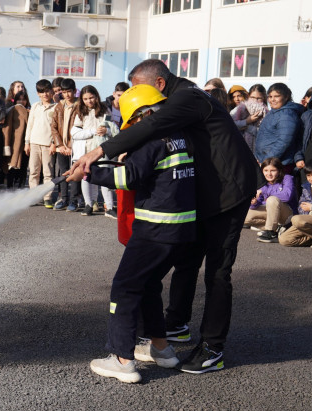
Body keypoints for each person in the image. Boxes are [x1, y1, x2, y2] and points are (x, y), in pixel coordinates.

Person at [69, 58, 260, 374]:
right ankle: (170, 333)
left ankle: (212, 348)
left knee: (217, 272)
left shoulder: (187, 97)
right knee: (183, 263)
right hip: (200, 198)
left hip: (229, 193)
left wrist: (96, 153)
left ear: (158, 85)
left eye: (138, 91)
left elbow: (152, 127)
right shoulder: (172, 103)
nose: (137, 102)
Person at [71, 84, 196, 383]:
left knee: (124, 289)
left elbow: (127, 177)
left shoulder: (151, 141)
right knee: (149, 284)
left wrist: (87, 173)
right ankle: (162, 349)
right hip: (182, 230)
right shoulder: (181, 137)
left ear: (145, 114)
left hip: (155, 230)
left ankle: (122, 359)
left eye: (134, 122)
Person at [71, 85, 118, 216]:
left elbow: (111, 128)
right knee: (86, 177)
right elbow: (75, 132)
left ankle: (109, 207)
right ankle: (88, 204)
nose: (89, 101)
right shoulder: (80, 111)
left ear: (96, 96)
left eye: (91, 97)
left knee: (104, 177)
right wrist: (91, 132)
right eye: (85, 99)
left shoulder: (105, 110)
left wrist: (106, 131)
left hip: (102, 149)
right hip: (86, 149)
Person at [253, 83, 303, 171]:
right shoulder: (275, 112)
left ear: (286, 97)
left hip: (279, 165)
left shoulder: (286, 115)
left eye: (277, 96)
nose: (272, 100)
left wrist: (266, 160)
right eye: (270, 96)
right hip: (268, 163)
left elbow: (283, 142)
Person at [25, 79, 57, 207]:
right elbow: (30, 125)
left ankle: (47, 197)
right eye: (42, 92)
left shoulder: (56, 107)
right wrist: (27, 142)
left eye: (47, 91)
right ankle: (34, 196)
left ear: (52, 91)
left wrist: (54, 143)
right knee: (33, 171)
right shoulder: (35, 106)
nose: (45, 94)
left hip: (48, 144)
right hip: (34, 143)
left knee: (48, 172)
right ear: (38, 93)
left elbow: (57, 128)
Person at [249, 157, 297, 243]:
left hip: (287, 215)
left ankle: (271, 233)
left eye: (273, 170)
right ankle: (277, 227)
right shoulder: (262, 182)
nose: (269, 174)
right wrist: (254, 202)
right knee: (245, 215)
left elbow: (287, 196)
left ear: (279, 170)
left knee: (272, 200)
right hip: (272, 214)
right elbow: (258, 202)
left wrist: (265, 191)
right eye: (266, 170)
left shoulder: (287, 178)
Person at [50, 78, 81, 210]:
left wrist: (70, 146)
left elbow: (80, 128)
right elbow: (54, 127)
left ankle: (74, 200)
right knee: (63, 172)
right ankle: (63, 199)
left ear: (74, 91)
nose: (67, 95)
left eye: (69, 91)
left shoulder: (80, 105)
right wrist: (60, 145)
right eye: (64, 92)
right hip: (61, 147)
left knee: (74, 172)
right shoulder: (59, 106)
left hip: (75, 147)